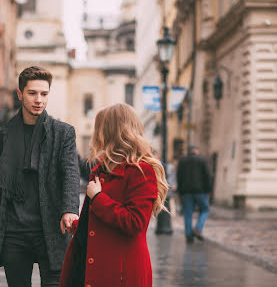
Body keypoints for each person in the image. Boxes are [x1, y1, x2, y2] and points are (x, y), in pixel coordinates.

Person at [0, 66, 80, 287]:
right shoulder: (4, 135)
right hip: (14, 232)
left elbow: (70, 173)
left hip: (51, 229)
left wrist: (69, 209)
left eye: (44, 94)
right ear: (20, 94)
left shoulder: (63, 133)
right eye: (32, 93)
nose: (39, 99)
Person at [59, 103, 169, 287]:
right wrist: (78, 225)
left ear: (110, 131)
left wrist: (98, 198)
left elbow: (135, 222)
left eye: (99, 127)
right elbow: (100, 220)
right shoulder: (103, 169)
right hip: (88, 266)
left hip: (119, 272)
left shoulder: (141, 171)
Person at [176, 145, 212, 243]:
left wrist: (180, 191)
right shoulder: (202, 160)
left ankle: (188, 235)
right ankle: (198, 228)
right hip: (201, 191)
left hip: (186, 192)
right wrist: (209, 189)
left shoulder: (182, 161)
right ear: (196, 150)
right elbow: (208, 175)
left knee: (188, 213)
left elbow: (179, 176)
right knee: (205, 209)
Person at [153, 150, 177, 234]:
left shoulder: (166, 166)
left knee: (165, 208)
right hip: (159, 190)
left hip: (165, 190)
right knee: (160, 208)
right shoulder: (155, 165)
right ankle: (162, 227)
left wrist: (171, 186)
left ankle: (165, 227)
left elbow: (170, 177)